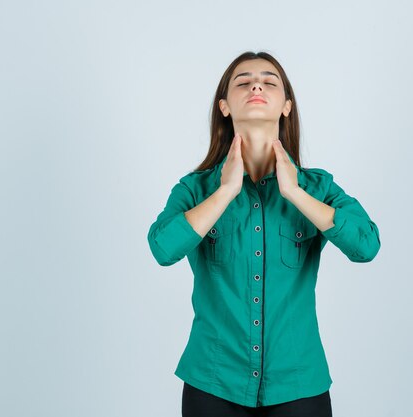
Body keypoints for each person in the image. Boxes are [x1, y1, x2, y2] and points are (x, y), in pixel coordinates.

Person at [147, 51, 381, 417]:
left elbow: (366, 245)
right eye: (243, 81)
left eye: (270, 81)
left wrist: (295, 193)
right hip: (213, 383)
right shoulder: (195, 189)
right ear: (224, 106)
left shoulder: (317, 187)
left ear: (286, 105)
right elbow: (163, 248)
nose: (256, 84)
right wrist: (225, 191)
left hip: (299, 384)